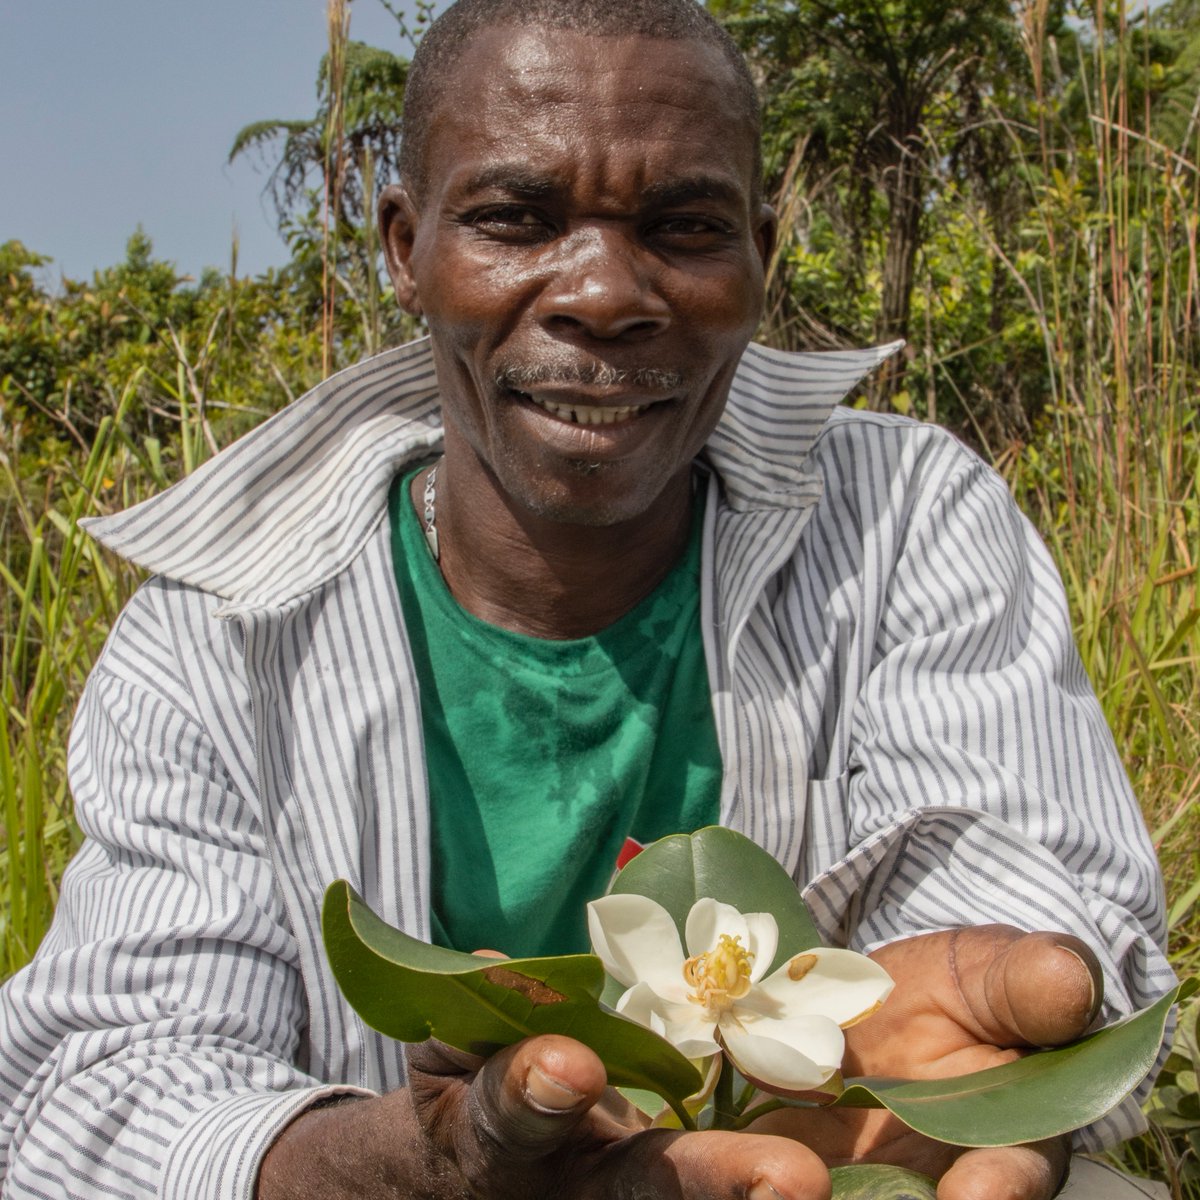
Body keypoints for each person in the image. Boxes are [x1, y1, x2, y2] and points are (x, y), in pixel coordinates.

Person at [0, 1, 1174, 1197]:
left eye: (684, 227)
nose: (605, 294)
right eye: (517, 219)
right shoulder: (216, 637)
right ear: (407, 249)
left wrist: (972, 1041)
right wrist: (414, 1170)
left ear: (760, 256)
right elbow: (107, 1088)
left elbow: (1026, 878)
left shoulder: (909, 516)